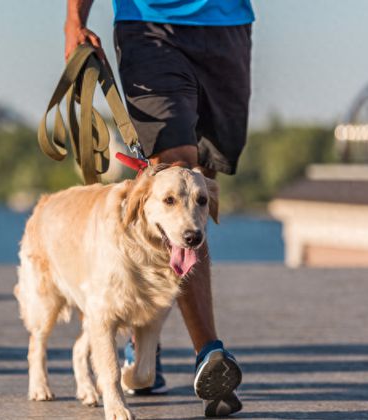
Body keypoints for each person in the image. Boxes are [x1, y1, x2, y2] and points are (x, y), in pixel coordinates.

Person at [64, 0, 253, 417]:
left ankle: (145, 329)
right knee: (177, 173)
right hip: (149, 25)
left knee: (200, 186)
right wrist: (75, 18)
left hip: (227, 23)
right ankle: (208, 352)